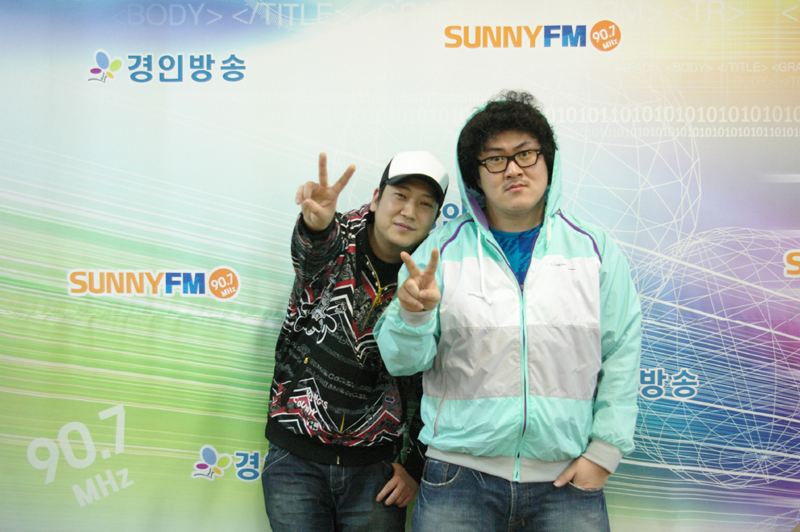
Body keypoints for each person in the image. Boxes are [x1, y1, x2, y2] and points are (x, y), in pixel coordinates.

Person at [375, 91, 642, 532]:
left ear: (547, 161)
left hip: (567, 480)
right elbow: (401, 361)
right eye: (495, 159)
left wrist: (604, 454)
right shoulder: (441, 250)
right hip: (458, 477)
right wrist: (414, 317)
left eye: (525, 154)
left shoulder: (594, 249)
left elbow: (622, 354)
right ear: (476, 177)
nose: (513, 169)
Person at [262, 151, 449, 532]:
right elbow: (311, 255)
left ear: (434, 219)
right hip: (296, 457)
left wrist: (415, 465)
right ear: (377, 198)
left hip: (377, 469)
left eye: (424, 204)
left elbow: (434, 375)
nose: (409, 212)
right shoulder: (337, 236)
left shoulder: (435, 272)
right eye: (400, 196)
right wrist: (315, 227)